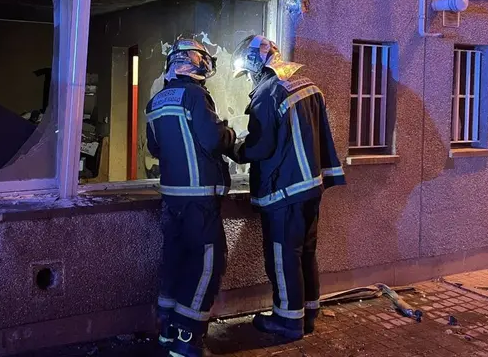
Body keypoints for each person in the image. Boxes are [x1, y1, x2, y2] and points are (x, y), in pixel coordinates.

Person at [228, 35, 345, 340]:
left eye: (248, 70)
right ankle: (307, 314)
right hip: (311, 188)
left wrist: (234, 148)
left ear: (256, 62)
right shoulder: (307, 85)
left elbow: (261, 146)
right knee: (305, 252)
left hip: (285, 191)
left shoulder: (267, 93)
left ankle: (287, 322)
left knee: (283, 256)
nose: (249, 77)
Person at [146, 38, 235, 357]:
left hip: (172, 199)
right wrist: (230, 133)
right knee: (207, 264)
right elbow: (213, 140)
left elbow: (155, 148)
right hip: (199, 200)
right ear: (198, 64)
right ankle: (188, 337)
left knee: (176, 260)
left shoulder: (155, 101)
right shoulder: (197, 96)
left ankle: (168, 331)